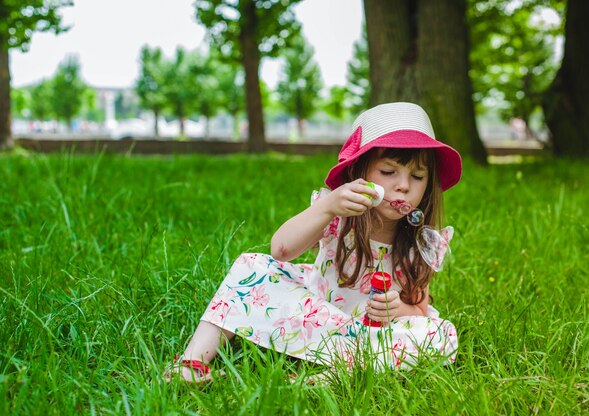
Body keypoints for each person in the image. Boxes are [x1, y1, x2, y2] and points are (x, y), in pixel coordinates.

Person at [165, 102, 462, 383]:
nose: (403, 185)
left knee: (441, 334)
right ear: (359, 172)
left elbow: (420, 307)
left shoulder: (423, 240)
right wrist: (326, 207)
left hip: (371, 335)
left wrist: (400, 311)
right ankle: (191, 363)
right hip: (315, 316)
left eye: (418, 176)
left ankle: (337, 372)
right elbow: (280, 250)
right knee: (251, 266)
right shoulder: (338, 216)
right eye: (388, 171)